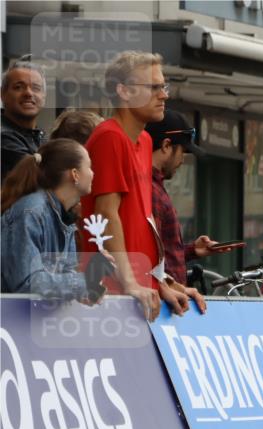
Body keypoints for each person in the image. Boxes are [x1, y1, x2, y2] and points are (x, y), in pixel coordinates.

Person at [79, 51, 203, 321]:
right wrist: (130, 283)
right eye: (154, 87)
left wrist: (161, 282)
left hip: (137, 292)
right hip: (109, 293)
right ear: (123, 91)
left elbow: (144, 222)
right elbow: (106, 215)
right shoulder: (110, 137)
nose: (164, 95)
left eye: (164, 86)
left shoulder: (145, 141)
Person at [1, 139, 110, 300]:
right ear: (75, 174)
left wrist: (84, 291)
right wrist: (83, 281)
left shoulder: (65, 217)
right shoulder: (31, 212)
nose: (93, 173)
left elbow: (64, 275)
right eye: (89, 167)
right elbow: (26, 284)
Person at [147, 109, 232, 285]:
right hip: (164, 303)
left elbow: (163, 254)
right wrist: (174, 289)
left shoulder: (155, 187)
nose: (183, 160)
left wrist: (192, 250)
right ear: (166, 146)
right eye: (183, 151)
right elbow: (150, 256)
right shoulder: (150, 191)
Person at [1, 59, 47, 181]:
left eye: (36, 88)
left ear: (44, 96)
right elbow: (48, 176)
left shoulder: (39, 135)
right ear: (2, 94)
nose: (28, 93)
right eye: (18, 87)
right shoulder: (3, 136)